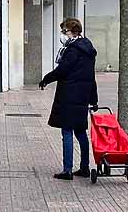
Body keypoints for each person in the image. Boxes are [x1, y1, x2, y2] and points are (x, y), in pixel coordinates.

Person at [39, 17, 98, 181]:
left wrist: (46, 79)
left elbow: (62, 70)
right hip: (83, 96)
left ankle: (67, 170)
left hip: (69, 95)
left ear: (72, 32)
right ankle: (85, 167)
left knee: (67, 131)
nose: (62, 34)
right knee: (80, 132)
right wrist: (94, 99)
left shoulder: (72, 50)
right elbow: (91, 77)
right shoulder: (88, 48)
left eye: (64, 31)